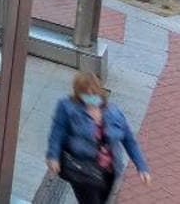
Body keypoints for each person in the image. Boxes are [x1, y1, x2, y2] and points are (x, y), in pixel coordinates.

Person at [47, 72, 149, 203]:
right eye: (86, 94)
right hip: (83, 169)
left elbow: (129, 140)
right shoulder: (67, 107)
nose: (90, 97)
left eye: (93, 93)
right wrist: (53, 155)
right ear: (79, 94)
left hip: (109, 171)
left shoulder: (114, 111)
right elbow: (57, 132)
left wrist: (141, 166)